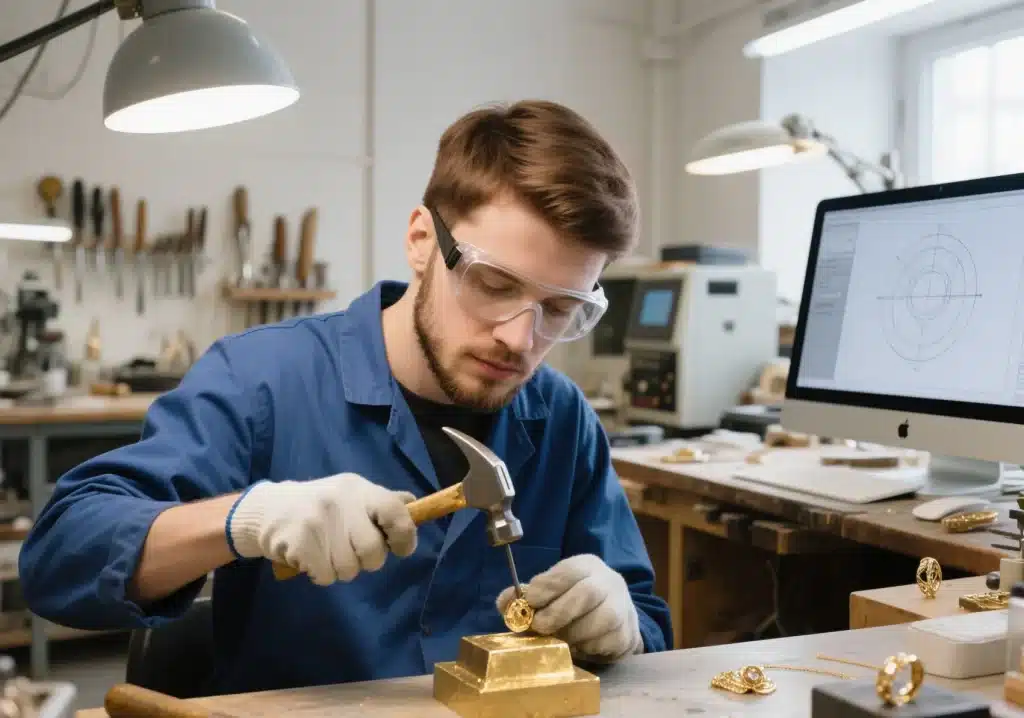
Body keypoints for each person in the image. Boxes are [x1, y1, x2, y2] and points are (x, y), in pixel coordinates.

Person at [19, 99, 673, 695]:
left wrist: (620, 621)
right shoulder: (262, 381)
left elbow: (649, 625)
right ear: (422, 241)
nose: (519, 339)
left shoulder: (561, 419)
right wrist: (242, 519)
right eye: (495, 284)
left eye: (561, 309)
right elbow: (58, 559)